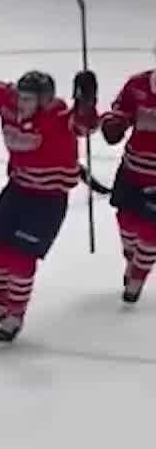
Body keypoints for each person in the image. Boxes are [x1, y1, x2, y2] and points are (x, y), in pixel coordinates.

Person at [0, 27, 96, 342]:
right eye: (21, 97)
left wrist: (86, 102)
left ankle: (16, 314)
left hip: (48, 200)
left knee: (22, 258)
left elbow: (85, 125)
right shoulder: (8, 102)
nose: (22, 103)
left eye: (29, 99)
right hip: (18, 189)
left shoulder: (59, 117)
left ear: (45, 100)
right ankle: (2, 305)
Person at [79, 66, 156, 302]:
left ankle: (137, 279)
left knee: (151, 233)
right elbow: (121, 111)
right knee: (127, 223)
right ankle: (132, 260)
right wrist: (114, 124)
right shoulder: (138, 84)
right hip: (133, 168)